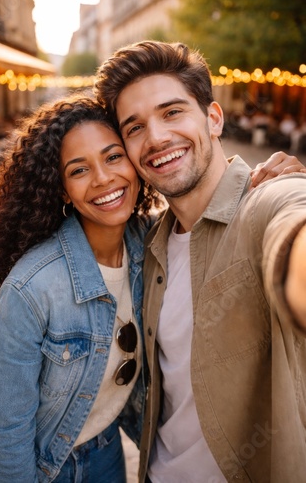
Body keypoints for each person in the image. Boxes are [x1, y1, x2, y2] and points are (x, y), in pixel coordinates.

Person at [94, 40, 306, 483]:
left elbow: (292, 222)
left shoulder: (266, 201)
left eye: (172, 112)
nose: (156, 138)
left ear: (212, 118)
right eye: (134, 128)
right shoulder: (147, 244)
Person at [0, 93, 162, 482]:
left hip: (107, 452)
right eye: (78, 171)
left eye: (113, 157)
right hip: (38, 467)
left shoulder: (152, 244)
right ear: (61, 191)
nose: (104, 179)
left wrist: (256, 181)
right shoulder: (32, 287)